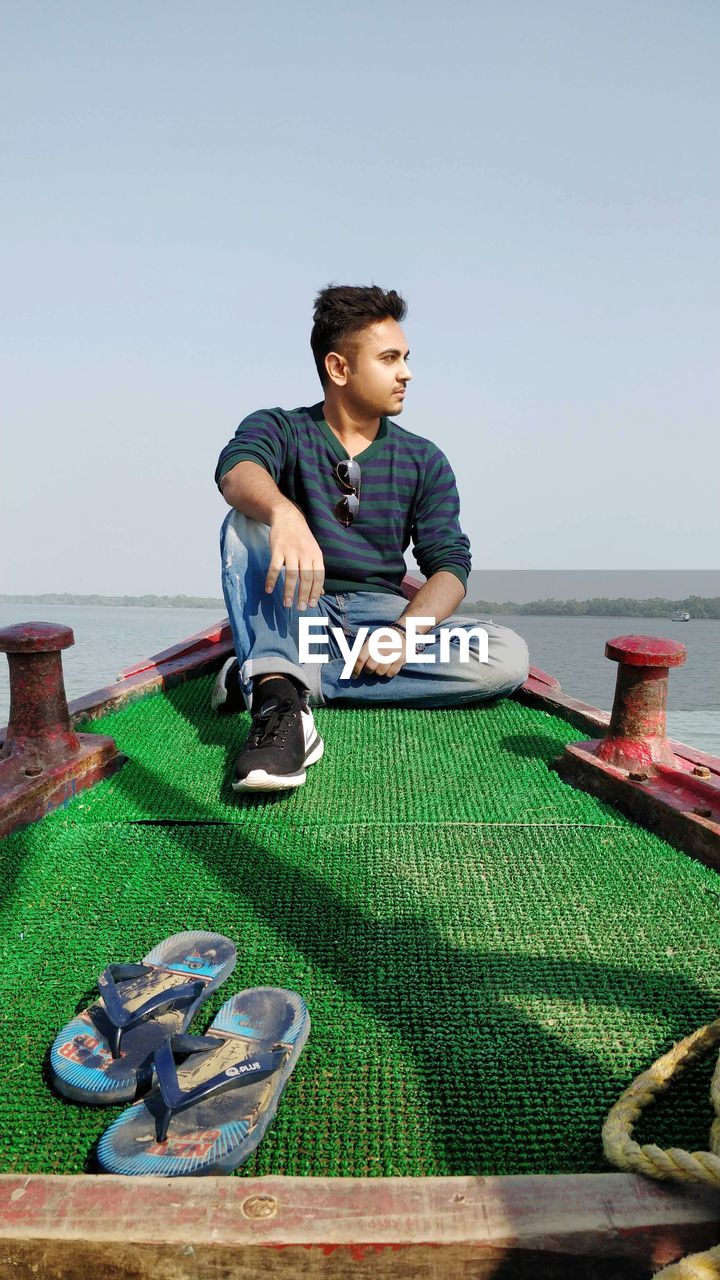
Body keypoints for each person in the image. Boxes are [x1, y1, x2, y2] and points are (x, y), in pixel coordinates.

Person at [214, 285, 529, 792]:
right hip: (296, 606)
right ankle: (280, 708)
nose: (407, 373)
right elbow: (236, 472)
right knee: (245, 521)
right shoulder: (281, 428)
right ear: (339, 369)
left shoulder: (424, 459)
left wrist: (404, 635)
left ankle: (273, 677)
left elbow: (449, 566)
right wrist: (284, 512)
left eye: (405, 358)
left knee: (503, 655)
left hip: (376, 621)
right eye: (389, 359)